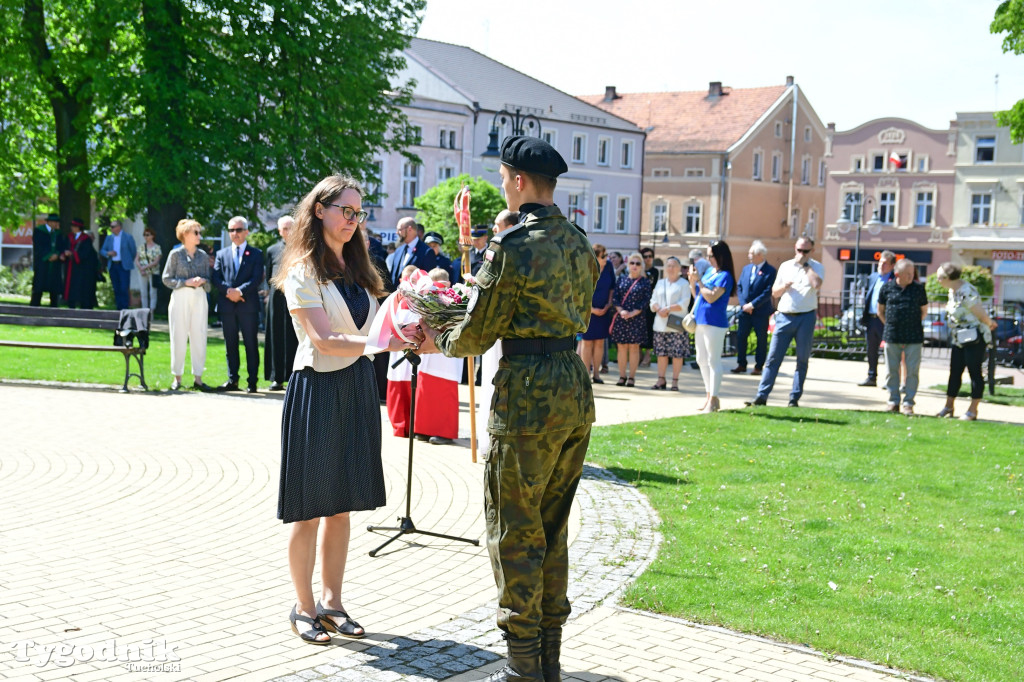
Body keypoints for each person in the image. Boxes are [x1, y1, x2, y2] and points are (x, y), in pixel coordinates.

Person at [418, 135, 598, 682]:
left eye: (503, 178)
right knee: (553, 526)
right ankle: (548, 662)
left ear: (518, 181)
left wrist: (438, 337)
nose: (503, 186)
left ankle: (523, 669)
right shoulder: (578, 242)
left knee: (514, 531)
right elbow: (580, 313)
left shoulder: (514, 246)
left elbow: (479, 332)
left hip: (527, 397)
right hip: (573, 386)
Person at [272, 174, 415, 646]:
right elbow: (323, 339)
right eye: (345, 211)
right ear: (319, 211)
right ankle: (304, 606)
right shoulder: (301, 272)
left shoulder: (359, 271)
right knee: (309, 510)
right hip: (316, 390)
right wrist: (381, 343)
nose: (353, 220)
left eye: (359, 213)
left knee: (342, 508)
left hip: (354, 388)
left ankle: (333, 604)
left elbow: (385, 319)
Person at [747, 236, 824, 408]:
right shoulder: (785, 266)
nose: (801, 254)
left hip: (806, 316)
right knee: (773, 358)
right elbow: (775, 293)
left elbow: (817, 284)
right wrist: (784, 287)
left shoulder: (817, 267)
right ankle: (762, 396)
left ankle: (794, 398)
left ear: (812, 251)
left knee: (802, 360)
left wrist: (805, 266)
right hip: (784, 316)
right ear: (795, 248)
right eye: (799, 250)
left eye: (805, 251)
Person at [477, 210, 519, 450]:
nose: (493, 228)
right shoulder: (494, 250)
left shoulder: (511, 252)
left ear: (510, 226)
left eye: (497, 224)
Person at [935, 262, 998, 421]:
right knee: (955, 371)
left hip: (974, 337)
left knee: (974, 371)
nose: (938, 280)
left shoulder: (966, 291)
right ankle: (948, 406)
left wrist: (990, 324)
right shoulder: (952, 291)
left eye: (939, 277)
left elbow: (980, 313)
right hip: (959, 338)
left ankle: (972, 410)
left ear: (948, 277)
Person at [213, 216, 264, 393]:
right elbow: (216, 278)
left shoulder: (256, 254)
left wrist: (239, 292)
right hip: (227, 307)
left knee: (251, 344)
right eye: (232, 230)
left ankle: (252, 382)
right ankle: (232, 379)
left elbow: (256, 278)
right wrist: (229, 292)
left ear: (246, 231)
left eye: (239, 230)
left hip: (247, 306)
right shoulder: (221, 254)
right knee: (230, 345)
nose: (235, 234)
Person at [162, 219, 211, 391]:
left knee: (199, 335)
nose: (199, 236)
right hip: (180, 296)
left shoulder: (203, 256)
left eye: (199, 232)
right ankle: (177, 377)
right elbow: (166, 278)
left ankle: (198, 377)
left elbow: (210, 282)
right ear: (185, 234)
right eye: (196, 232)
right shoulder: (175, 254)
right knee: (178, 335)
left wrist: (203, 281)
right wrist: (186, 282)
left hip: (199, 297)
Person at [689, 241, 736, 413]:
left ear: (720, 256)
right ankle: (709, 395)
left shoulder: (725, 276)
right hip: (701, 320)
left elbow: (711, 297)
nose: (708, 259)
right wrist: (691, 281)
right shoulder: (709, 272)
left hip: (715, 322)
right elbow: (698, 296)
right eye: (707, 255)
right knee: (701, 359)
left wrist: (699, 282)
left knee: (713, 360)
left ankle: (714, 398)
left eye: (711, 255)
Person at [877, 259, 928, 416]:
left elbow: (924, 311)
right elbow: (880, 311)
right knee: (891, 370)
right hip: (892, 335)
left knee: (912, 370)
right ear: (897, 274)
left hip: (914, 336)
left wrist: (911, 324)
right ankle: (893, 400)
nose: (910, 276)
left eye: (912, 273)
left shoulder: (918, 289)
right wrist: (890, 325)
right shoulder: (887, 288)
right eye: (907, 273)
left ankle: (908, 402)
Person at [265, 215, 299, 391]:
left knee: (296, 336)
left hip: (297, 298)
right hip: (277, 298)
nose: (288, 231)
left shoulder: (302, 248)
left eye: (290, 228)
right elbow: (268, 273)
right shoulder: (272, 250)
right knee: (276, 336)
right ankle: (276, 377)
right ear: (279, 231)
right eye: (284, 228)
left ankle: (294, 377)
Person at [732, 240, 777, 375]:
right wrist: (743, 305)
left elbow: (768, 291)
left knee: (761, 340)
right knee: (741, 337)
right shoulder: (746, 269)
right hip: (745, 311)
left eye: (751, 253)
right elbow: (739, 287)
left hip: (761, 312)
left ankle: (758, 366)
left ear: (760, 255)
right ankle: (741, 364)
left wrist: (753, 305)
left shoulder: (770, 271)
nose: (749, 255)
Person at [610, 252, 652, 388]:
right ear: (628, 265)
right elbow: (615, 297)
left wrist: (633, 313)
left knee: (634, 348)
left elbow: (646, 301)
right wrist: (621, 311)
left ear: (641, 266)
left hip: (636, 319)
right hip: (621, 318)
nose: (634, 266)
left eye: (638, 263)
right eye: (632, 263)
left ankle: (632, 377)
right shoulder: (621, 280)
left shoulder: (645, 282)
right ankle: (622, 376)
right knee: (621, 348)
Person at [650, 256, 691, 391]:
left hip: (676, 325)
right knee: (661, 354)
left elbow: (684, 303)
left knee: (677, 355)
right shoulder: (661, 283)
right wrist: (658, 308)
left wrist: (667, 308)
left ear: (679, 268)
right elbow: (653, 300)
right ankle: (661, 380)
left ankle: (675, 381)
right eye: (668, 265)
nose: (671, 268)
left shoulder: (684, 284)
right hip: (660, 324)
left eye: (674, 265)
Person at [857, 250, 896, 387]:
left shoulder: (894, 280)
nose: (882, 266)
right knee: (871, 350)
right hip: (871, 319)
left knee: (889, 351)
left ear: (892, 266)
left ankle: (889, 380)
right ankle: (871, 377)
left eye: (885, 263)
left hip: (885, 320)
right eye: (880, 263)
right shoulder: (873, 277)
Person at [580, 244, 615, 383]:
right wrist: (591, 309)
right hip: (588, 311)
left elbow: (612, 287)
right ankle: (585, 375)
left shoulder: (609, 267)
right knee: (587, 343)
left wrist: (609, 304)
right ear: (595, 256)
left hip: (604, 310)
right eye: (604, 256)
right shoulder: (586, 268)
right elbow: (579, 291)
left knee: (600, 342)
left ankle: (596, 374)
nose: (607, 258)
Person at [31, 213, 67, 307]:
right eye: (55, 222)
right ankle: (35, 306)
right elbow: (38, 246)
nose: (56, 224)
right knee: (39, 285)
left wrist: (58, 255)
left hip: (55, 263)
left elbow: (61, 246)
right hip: (43, 263)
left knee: (54, 286)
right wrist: (49, 256)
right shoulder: (39, 231)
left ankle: (53, 306)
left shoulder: (58, 234)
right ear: (50, 222)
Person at [389, 216, 436, 288]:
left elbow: (428, 282)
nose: (397, 232)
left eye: (399, 230)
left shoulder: (426, 252)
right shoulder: (398, 251)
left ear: (409, 229)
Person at [101, 219, 137, 310]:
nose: (111, 228)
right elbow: (102, 250)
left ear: (119, 227)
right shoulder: (109, 238)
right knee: (116, 288)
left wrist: (127, 260)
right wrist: (108, 253)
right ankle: (118, 308)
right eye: (111, 227)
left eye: (113, 227)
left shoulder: (128, 237)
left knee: (124, 287)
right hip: (113, 265)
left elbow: (133, 251)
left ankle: (124, 308)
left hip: (123, 266)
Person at [63, 218, 99, 309]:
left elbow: (86, 253)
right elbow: (64, 247)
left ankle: (83, 306)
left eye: (74, 226)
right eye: (72, 226)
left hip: (82, 268)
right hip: (71, 267)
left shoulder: (85, 239)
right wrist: (64, 254)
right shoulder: (69, 237)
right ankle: (71, 304)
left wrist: (73, 254)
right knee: (71, 286)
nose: (72, 228)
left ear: (79, 227)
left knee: (81, 287)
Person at [639, 248, 660, 366]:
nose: (648, 259)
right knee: (639, 330)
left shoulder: (654, 271)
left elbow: (651, 285)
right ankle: (639, 355)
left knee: (648, 330)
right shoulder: (638, 269)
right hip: (637, 304)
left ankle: (647, 355)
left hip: (649, 305)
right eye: (645, 256)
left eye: (650, 256)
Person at [135, 227, 163, 311]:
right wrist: (141, 268)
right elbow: (136, 259)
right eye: (144, 235)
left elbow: (156, 261)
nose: (145, 237)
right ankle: (144, 310)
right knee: (143, 292)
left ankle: (151, 311)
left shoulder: (157, 247)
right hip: (142, 272)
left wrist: (145, 267)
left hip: (153, 272)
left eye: (147, 235)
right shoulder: (141, 247)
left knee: (152, 292)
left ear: (152, 236)